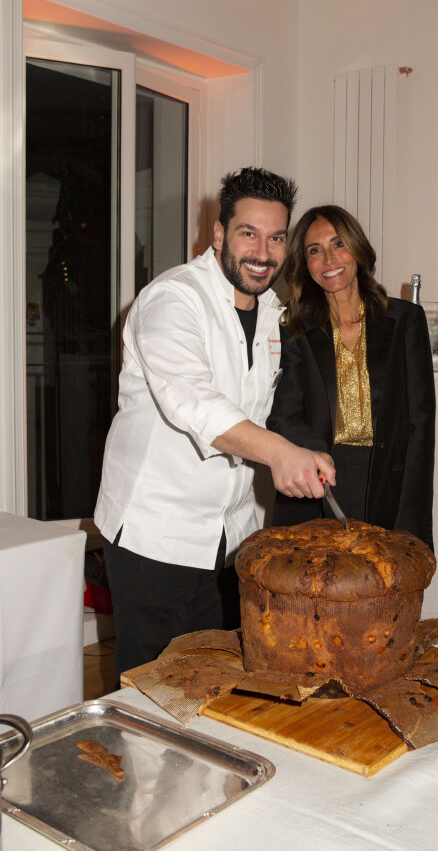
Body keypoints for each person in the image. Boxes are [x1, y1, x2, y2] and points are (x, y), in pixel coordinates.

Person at [94, 168, 335, 682]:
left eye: (275, 238)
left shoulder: (272, 311)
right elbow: (192, 399)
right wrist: (277, 454)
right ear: (219, 234)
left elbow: (266, 408)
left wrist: (306, 450)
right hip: (155, 534)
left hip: (229, 539)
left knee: (215, 686)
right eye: (248, 233)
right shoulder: (172, 299)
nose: (263, 253)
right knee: (153, 694)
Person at [266, 204, 435, 547]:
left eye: (338, 244)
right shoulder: (292, 327)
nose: (329, 259)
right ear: (304, 263)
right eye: (315, 250)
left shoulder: (405, 321)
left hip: (386, 483)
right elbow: (283, 414)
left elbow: (420, 426)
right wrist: (314, 455)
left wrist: (412, 523)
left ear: (358, 249)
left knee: (383, 594)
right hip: (318, 484)